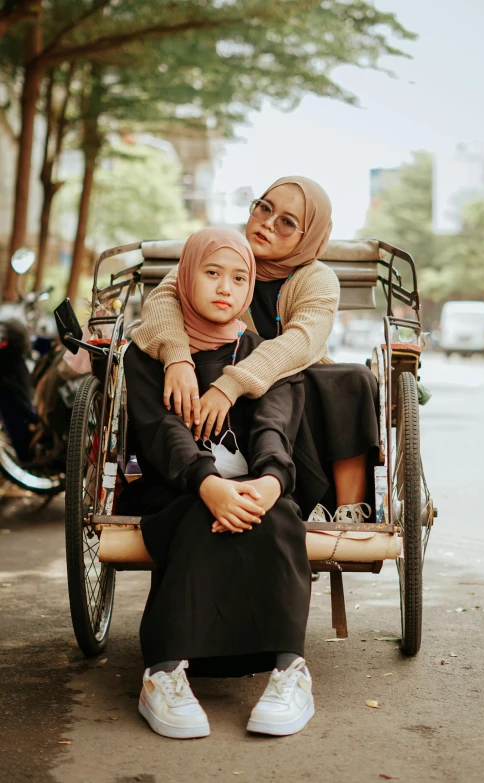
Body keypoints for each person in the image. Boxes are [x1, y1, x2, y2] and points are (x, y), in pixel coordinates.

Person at [122, 228, 313, 740]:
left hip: (254, 489)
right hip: (175, 486)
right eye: (211, 273)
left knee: (278, 516)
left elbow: (276, 428)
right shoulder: (147, 355)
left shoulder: (265, 356)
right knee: (196, 514)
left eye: (239, 277)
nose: (225, 288)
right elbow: (161, 434)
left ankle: (290, 671)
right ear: (185, 277)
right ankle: (162, 673)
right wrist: (207, 484)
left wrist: (271, 483)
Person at [132, 176, 379, 524]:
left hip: (277, 385)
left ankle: (346, 507)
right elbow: (162, 299)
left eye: (287, 223)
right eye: (264, 207)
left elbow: (300, 343)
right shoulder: (225, 253)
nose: (267, 223)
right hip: (211, 386)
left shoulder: (317, 280)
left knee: (351, 379)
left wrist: (231, 385)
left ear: (307, 237)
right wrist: (177, 358)